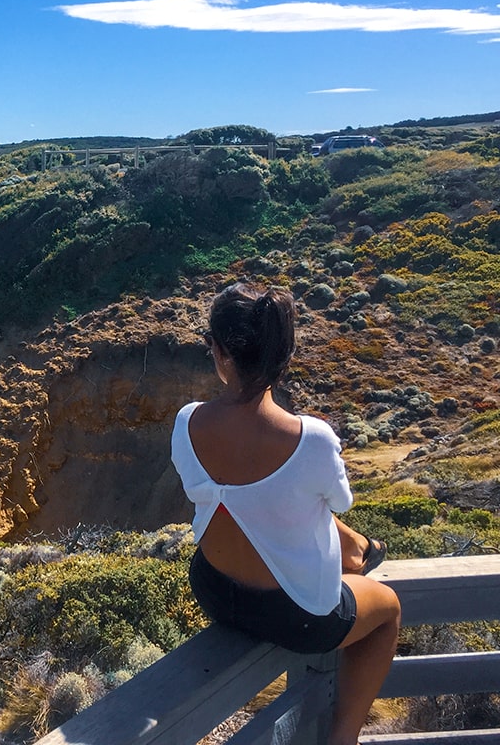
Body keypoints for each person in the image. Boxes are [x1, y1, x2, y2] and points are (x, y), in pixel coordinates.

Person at [172, 283, 401, 745]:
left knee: (256, 504)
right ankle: (343, 738)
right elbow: (339, 502)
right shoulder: (311, 439)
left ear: (219, 352)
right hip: (295, 617)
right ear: (284, 354)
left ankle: (355, 550)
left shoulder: (187, 421)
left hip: (214, 589)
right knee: (390, 609)